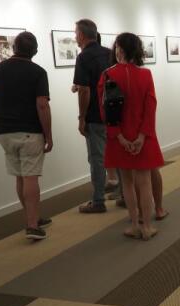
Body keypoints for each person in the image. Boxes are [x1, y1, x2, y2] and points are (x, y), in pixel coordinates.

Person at [0, 32, 53, 240]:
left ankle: (32, 218)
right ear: (35, 51)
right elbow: (42, 104)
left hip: (4, 133)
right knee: (31, 177)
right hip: (30, 132)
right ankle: (33, 225)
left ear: (14, 48)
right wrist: (48, 135)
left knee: (20, 176)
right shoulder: (37, 72)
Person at [97, 33, 164, 240]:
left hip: (120, 139)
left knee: (126, 182)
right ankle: (147, 227)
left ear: (119, 49)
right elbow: (150, 107)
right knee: (144, 182)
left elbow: (105, 113)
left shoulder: (107, 75)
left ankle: (134, 224)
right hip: (142, 136)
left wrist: (119, 138)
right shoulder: (145, 75)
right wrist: (142, 136)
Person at [73, 19, 112, 214]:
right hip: (113, 113)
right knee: (116, 154)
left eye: (75, 33)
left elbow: (84, 91)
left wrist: (81, 118)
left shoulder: (83, 57)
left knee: (96, 158)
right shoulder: (109, 53)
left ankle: (98, 201)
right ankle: (124, 194)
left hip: (95, 116)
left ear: (81, 35)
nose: (75, 37)